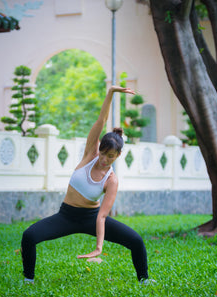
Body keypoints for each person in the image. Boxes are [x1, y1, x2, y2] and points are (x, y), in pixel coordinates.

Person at [21, 86, 154, 284]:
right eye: (103, 153)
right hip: (66, 216)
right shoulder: (89, 155)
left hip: (91, 218)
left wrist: (99, 246)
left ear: (118, 156)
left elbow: (102, 216)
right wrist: (110, 93)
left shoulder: (111, 180)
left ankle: (144, 279)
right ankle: (28, 280)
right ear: (98, 149)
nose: (104, 159)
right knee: (29, 236)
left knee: (135, 241)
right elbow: (101, 121)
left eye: (111, 156)